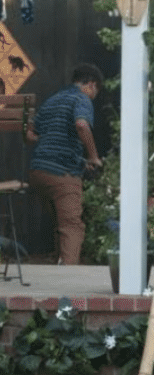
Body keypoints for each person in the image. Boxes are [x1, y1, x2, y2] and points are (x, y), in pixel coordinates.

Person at [27, 63, 104, 265]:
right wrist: (94, 157)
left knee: (59, 225)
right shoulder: (81, 99)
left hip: (38, 172)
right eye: (96, 91)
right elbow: (81, 124)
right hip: (60, 174)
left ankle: (58, 267)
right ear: (91, 85)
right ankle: (69, 279)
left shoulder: (52, 100)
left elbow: (30, 134)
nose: (94, 95)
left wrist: (80, 161)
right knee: (72, 227)